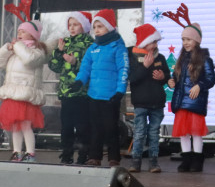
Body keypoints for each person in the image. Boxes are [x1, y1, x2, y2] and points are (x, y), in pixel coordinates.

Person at [72, 9, 129, 167]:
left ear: (109, 27)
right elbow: (85, 68)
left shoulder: (118, 47)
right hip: (93, 95)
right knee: (95, 128)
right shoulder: (93, 48)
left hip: (110, 96)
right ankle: (94, 157)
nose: (96, 30)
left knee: (111, 128)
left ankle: (114, 158)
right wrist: (79, 82)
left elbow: (123, 69)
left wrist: (120, 91)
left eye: (100, 26)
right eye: (95, 27)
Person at [166, 4, 215, 172]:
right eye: (183, 39)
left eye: (188, 39)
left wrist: (199, 86)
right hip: (181, 101)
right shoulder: (181, 59)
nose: (185, 43)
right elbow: (177, 77)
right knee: (183, 132)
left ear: (197, 41)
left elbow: (211, 78)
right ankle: (186, 159)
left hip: (195, 101)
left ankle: (197, 160)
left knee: (196, 132)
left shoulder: (204, 59)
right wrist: (172, 81)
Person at [0, 19, 47, 162]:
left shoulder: (37, 52)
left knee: (25, 126)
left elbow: (28, 60)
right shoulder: (15, 51)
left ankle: (30, 153)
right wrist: (7, 49)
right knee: (15, 127)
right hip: (13, 94)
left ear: (32, 35)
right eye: (18, 32)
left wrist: (17, 46)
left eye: (23, 31)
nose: (19, 34)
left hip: (26, 95)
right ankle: (16, 152)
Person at [47, 11, 94, 165]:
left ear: (84, 26)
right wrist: (58, 52)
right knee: (66, 126)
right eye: (70, 25)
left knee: (82, 126)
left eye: (75, 24)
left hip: (82, 92)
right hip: (66, 92)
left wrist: (76, 62)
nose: (72, 28)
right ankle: (66, 154)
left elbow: (92, 67)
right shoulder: (65, 42)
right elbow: (54, 66)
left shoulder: (90, 44)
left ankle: (83, 154)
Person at [127, 23, 170, 173]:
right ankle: (136, 162)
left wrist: (163, 76)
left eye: (156, 42)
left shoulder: (161, 58)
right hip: (140, 103)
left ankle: (153, 162)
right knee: (139, 132)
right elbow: (132, 78)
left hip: (157, 102)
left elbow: (167, 77)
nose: (155, 45)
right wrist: (144, 66)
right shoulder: (132, 58)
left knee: (154, 133)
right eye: (152, 42)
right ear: (144, 42)